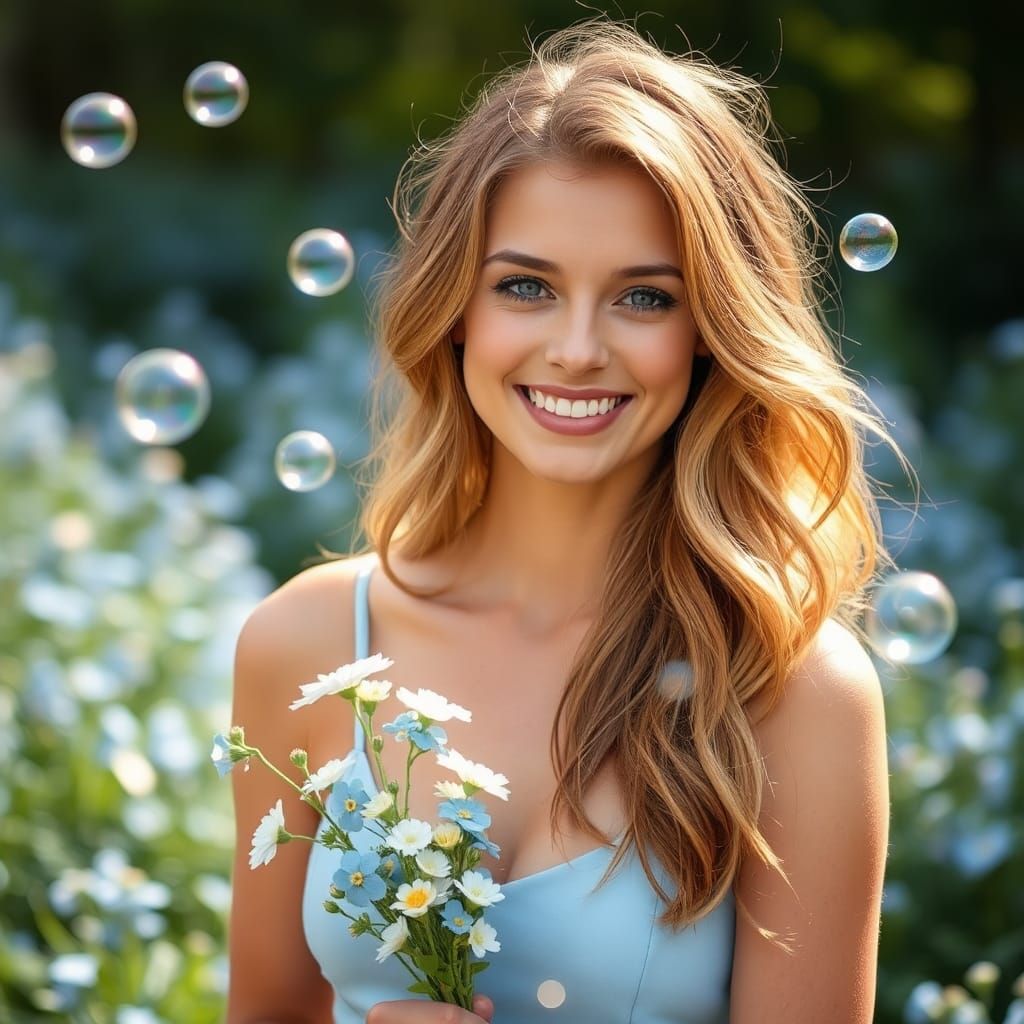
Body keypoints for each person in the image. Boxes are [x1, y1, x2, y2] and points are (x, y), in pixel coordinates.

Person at [225, 16, 905, 1024]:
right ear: (457, 307)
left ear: (713, 331)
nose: (578, 349)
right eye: (527, 286)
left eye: (642, 297)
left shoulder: (790, 690)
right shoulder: (312, 644)